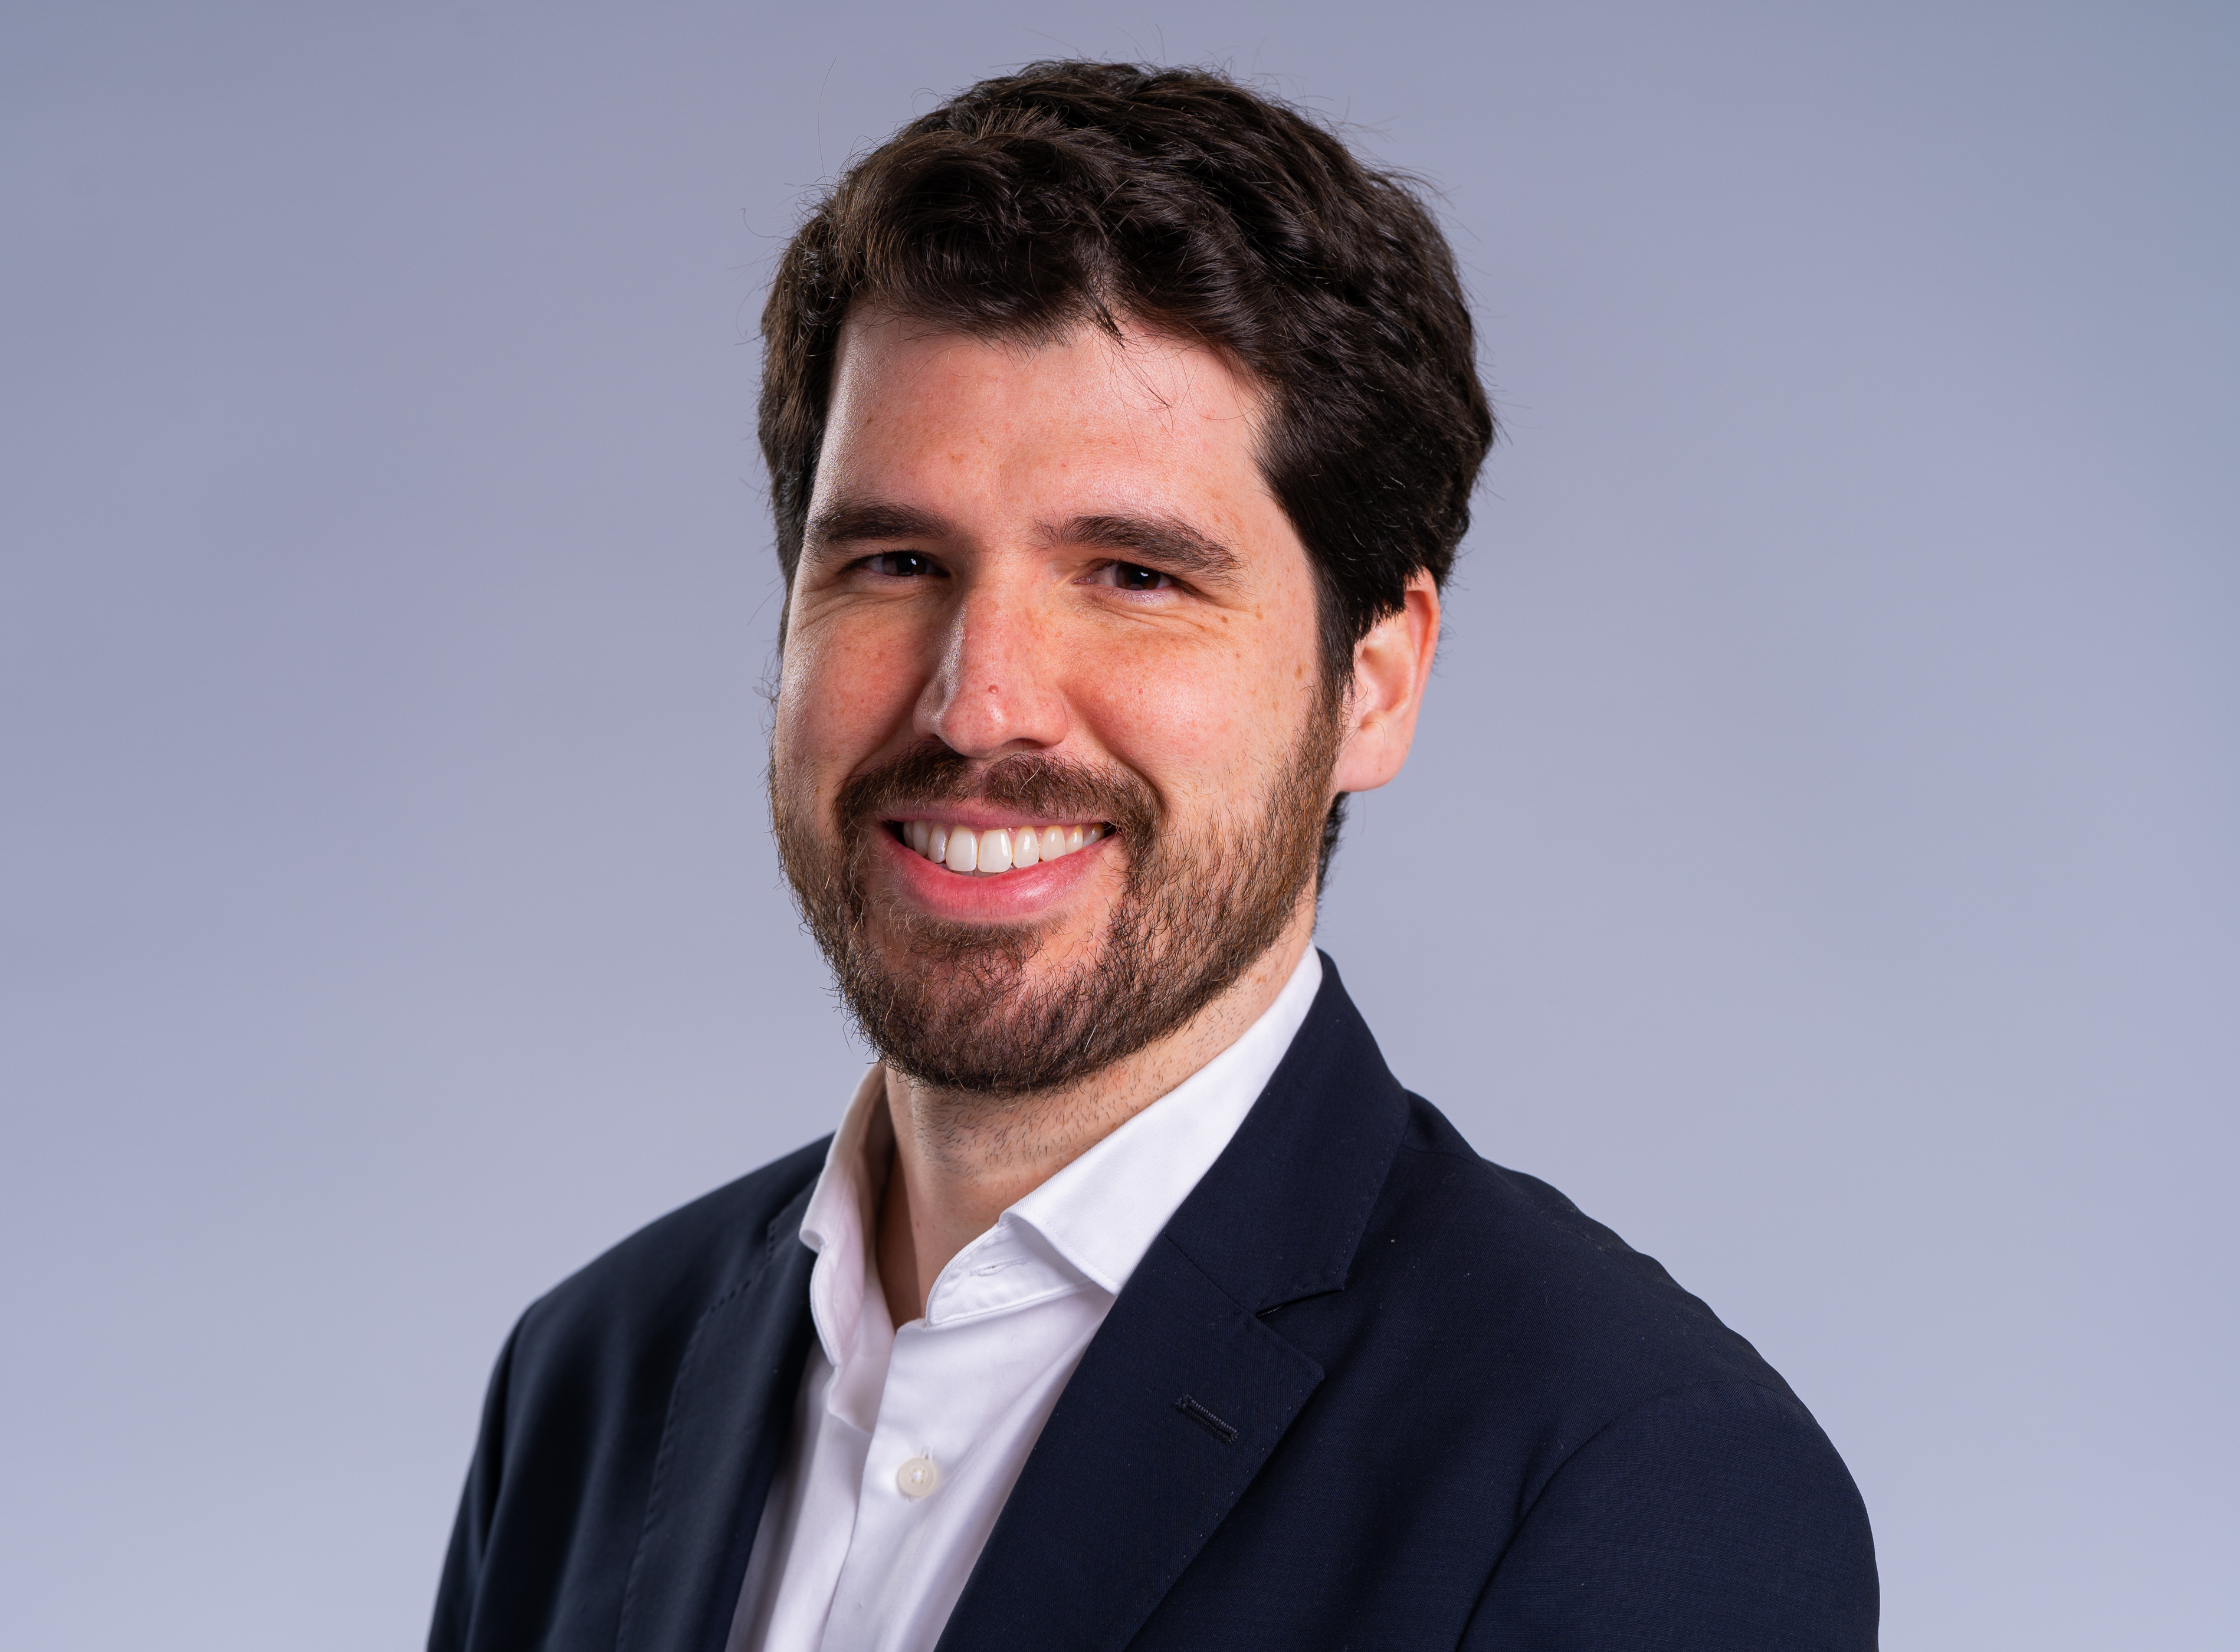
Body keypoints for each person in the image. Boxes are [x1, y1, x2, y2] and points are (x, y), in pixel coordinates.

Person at [428, 61, 1877, 1652]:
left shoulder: (1629, 1478)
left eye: (1132, 575)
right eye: (895, 562)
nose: (977, 701)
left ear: (1374, 682)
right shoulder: (589, 1383)